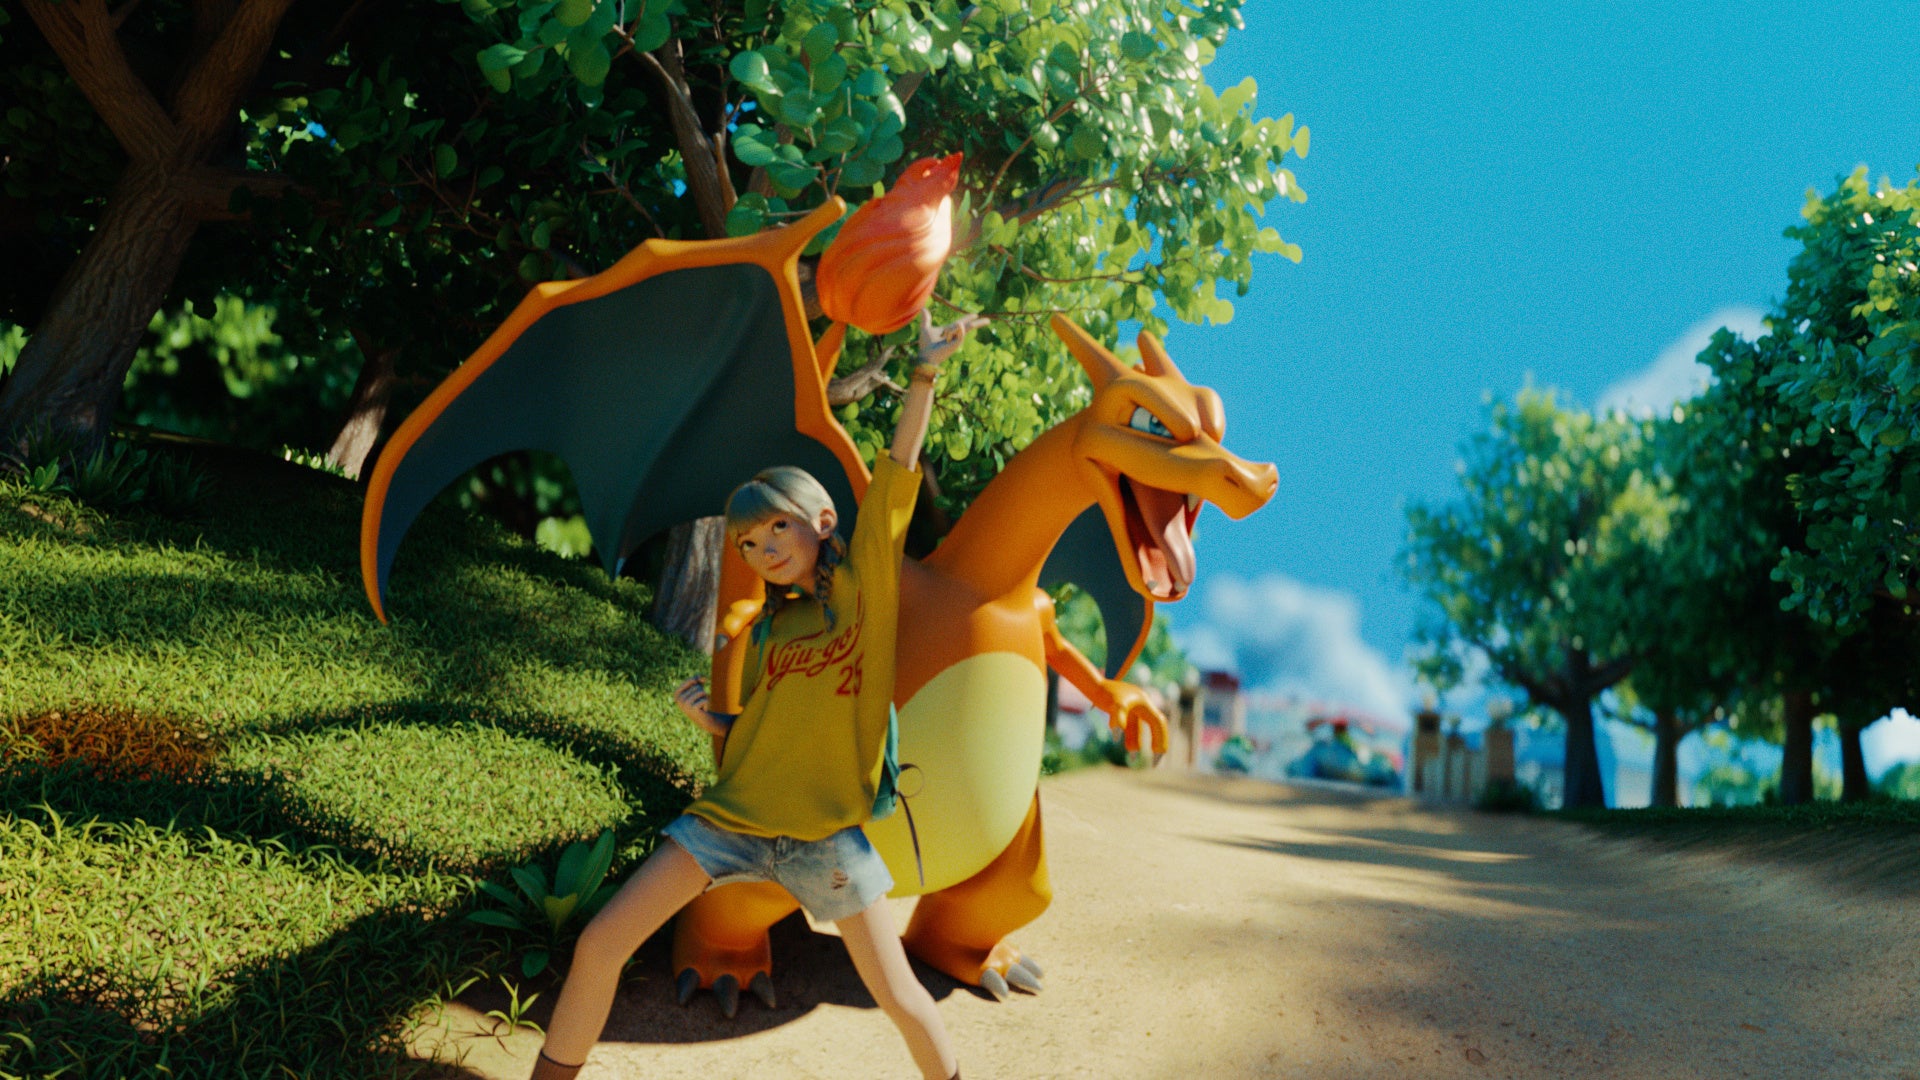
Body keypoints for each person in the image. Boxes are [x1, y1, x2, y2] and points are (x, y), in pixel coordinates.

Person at [529, 309, 985, 1080]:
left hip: (825, 839)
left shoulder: (864, 588)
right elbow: (755, 735)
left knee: (899, 996)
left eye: (775, 529)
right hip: (730, 820)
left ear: (823, 521)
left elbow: (899, 476)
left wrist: (925, 371)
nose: (761, 549)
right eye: (746, 542)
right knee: (600, 944)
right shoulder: (771, 632)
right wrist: (711, 719)